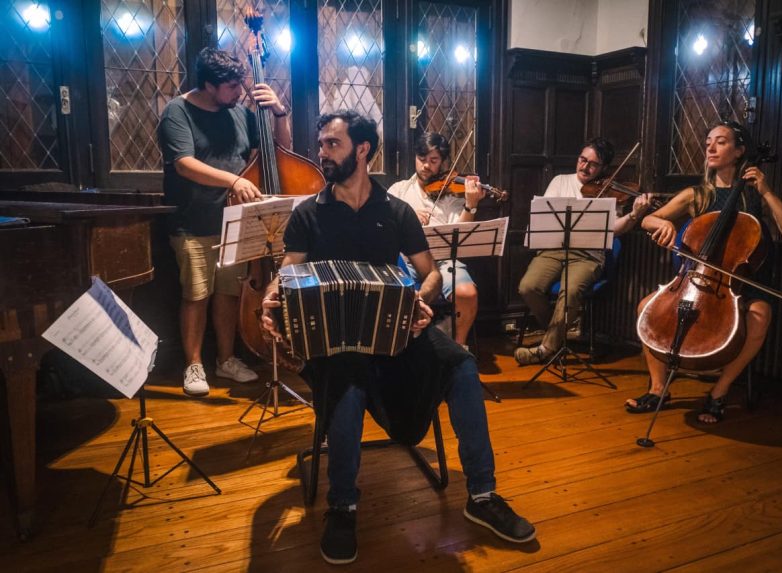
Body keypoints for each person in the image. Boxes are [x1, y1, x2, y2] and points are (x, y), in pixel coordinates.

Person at [260, 111, 535, 565]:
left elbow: (431, 274)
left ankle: (483, 495)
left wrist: (420, 302)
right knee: (346, 379)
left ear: (362, 149)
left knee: (461, 365)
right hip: (334, 341)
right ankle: (343, 506)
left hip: (392, 332)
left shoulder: (395, 212)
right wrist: (272, 298)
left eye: (332, 144)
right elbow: (288, 270)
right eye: (321, 144)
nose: (322, 153)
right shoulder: (309, 212)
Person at [625, 120, 782, 423]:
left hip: (741, 284)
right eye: (708, 142)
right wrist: (662, 222)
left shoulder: (754, 195)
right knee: (646, 308)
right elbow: (647, 221)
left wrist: (767, 192)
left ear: (739, 151)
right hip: (695, 280)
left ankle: (719, 392)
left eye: (721, 142)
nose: (710, 147)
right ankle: (657, 389)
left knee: (760, 315)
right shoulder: (698, 195)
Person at [158, 47, 290, 397]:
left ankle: (226, 359)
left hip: (235, 221)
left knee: (229, 294)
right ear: (208, 85)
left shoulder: (239, 113)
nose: (239, 92)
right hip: (194, 220)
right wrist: (233, 180)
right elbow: (184, 163)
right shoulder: (177, 112)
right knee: (197, 294)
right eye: (232, 86)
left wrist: (279, 112)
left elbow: (280, 150)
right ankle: (193, 364)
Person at [515, 137, 652, 365]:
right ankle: (559, 336)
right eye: (582, 160)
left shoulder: (610, 192)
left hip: (589, 255)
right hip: (554, 249)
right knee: (527, 287)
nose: (585, 167)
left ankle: (546, 349)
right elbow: (544, 216)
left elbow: (614, 229)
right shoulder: (560, 181)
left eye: (593, 164)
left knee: (570, 292)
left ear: (603, 168)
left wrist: (634, 215)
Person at [388, 132, 484, 347]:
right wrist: (408, 215)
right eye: (421, 159)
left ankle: (458, 348)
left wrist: (471, 205)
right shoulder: (399, 190)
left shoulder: (451, 193)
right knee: (397, 293)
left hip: (444, 260)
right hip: (407, 262)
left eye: (433, 161)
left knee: (467, 293)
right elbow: (382, 224)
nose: (426, 166)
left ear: (443, 162)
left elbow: (461, 234)